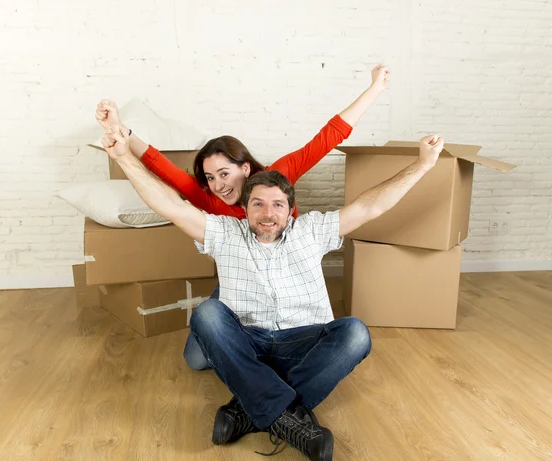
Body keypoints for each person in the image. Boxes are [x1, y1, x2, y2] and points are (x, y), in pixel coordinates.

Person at [100, 125, 445, 461]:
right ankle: (287, 416)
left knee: (355, 333)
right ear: (244, 208)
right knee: (207, 314)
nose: (268, 214)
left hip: (304, 343)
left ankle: (248, 410)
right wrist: (124, 158)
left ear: (290, 208)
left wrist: (423, 164)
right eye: (258, 205)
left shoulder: (312, 230)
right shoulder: (225, 233)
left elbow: (371, 205)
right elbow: (169, 204)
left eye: (277, 205)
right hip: (249, 342)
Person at [96, 64, 391, 371]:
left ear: (246, 168)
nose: (219, 184)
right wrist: (120, 131)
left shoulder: (275, 178)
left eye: (224, 173)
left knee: (301, 345)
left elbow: (327, 138)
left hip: (288, 274)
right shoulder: (207, 197)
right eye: (210, 177)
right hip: (241, 278)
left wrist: (374, 89)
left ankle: (270, 354)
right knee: (196, 360)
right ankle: (253, 352)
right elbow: (160, 165)